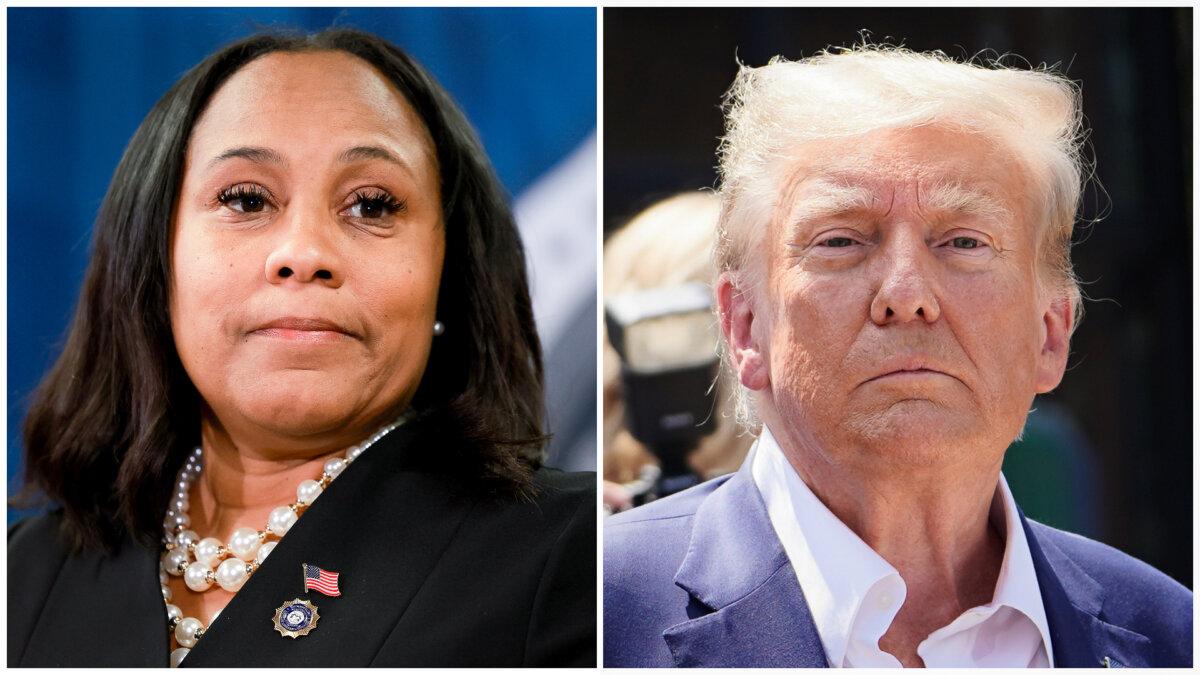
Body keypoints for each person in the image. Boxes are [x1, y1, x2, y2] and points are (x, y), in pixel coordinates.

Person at [8, 29, 594, 667]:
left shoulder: (574, 556)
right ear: (154, 259)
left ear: (450, 277)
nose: (304, 254)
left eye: (370, 205)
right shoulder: (23, 575)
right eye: (246, 199)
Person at [604, 45, 1191, 668]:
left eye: (964, 241)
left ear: (1051, 332)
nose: (906, 296)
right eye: (842, 241)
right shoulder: (598, 613)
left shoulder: (1168, 635)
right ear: (744, 326)